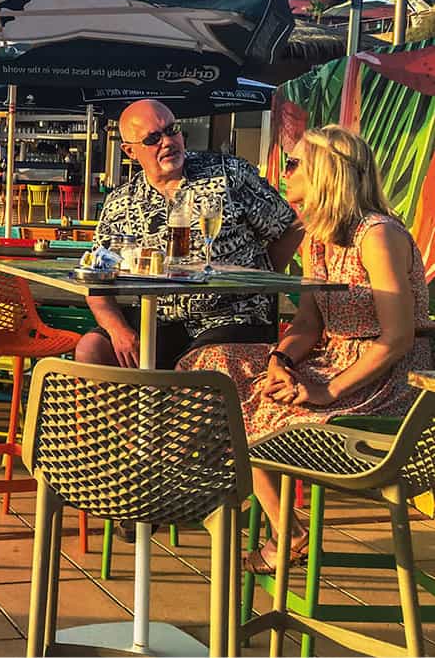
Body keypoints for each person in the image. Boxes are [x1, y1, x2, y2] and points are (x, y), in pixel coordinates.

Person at [179, 126, 432, 573]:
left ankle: (279, 530)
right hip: (331, 359)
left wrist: (328, 390)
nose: (283, 170)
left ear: (326, 173)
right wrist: (281, 360)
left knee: (253, 409)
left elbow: (397, 339)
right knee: (215, 368)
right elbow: (308, 322)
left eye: (293, 163)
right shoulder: (318, 235)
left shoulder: (377, 235)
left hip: (386, 377)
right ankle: (280, 526)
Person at [76, 99, 303, 371]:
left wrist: (257, 278)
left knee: (196, 365)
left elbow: (291, 226)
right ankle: (120, 415)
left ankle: (179, 412)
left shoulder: (228, 175)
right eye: (153, 138)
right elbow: (96, 278)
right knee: (92, 349)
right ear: (130, 151)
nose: (168, 142)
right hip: (157, 319)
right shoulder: (120, 203)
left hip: (233, 317)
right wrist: (118, 330)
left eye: (172, 130)